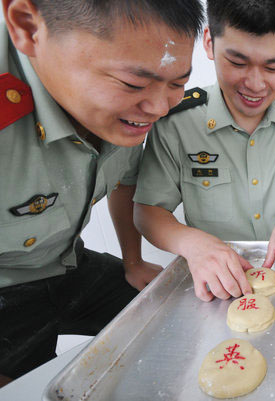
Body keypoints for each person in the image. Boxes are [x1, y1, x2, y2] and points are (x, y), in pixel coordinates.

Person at [0, 0, 204, 383]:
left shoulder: (130, 109)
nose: (159, 107)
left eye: (178, 83)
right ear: (28, 27)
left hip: (66, 260)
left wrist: (133, 259)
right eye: (134, 84)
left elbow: (124, 179)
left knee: (177, 319)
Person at [133, 0, 275, 302]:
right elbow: (148, 211)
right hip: (214, 285)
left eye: (272, 66)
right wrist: (193, 245)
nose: (255, 84)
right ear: (209, 43)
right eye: (238, 63)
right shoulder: (177, 122)